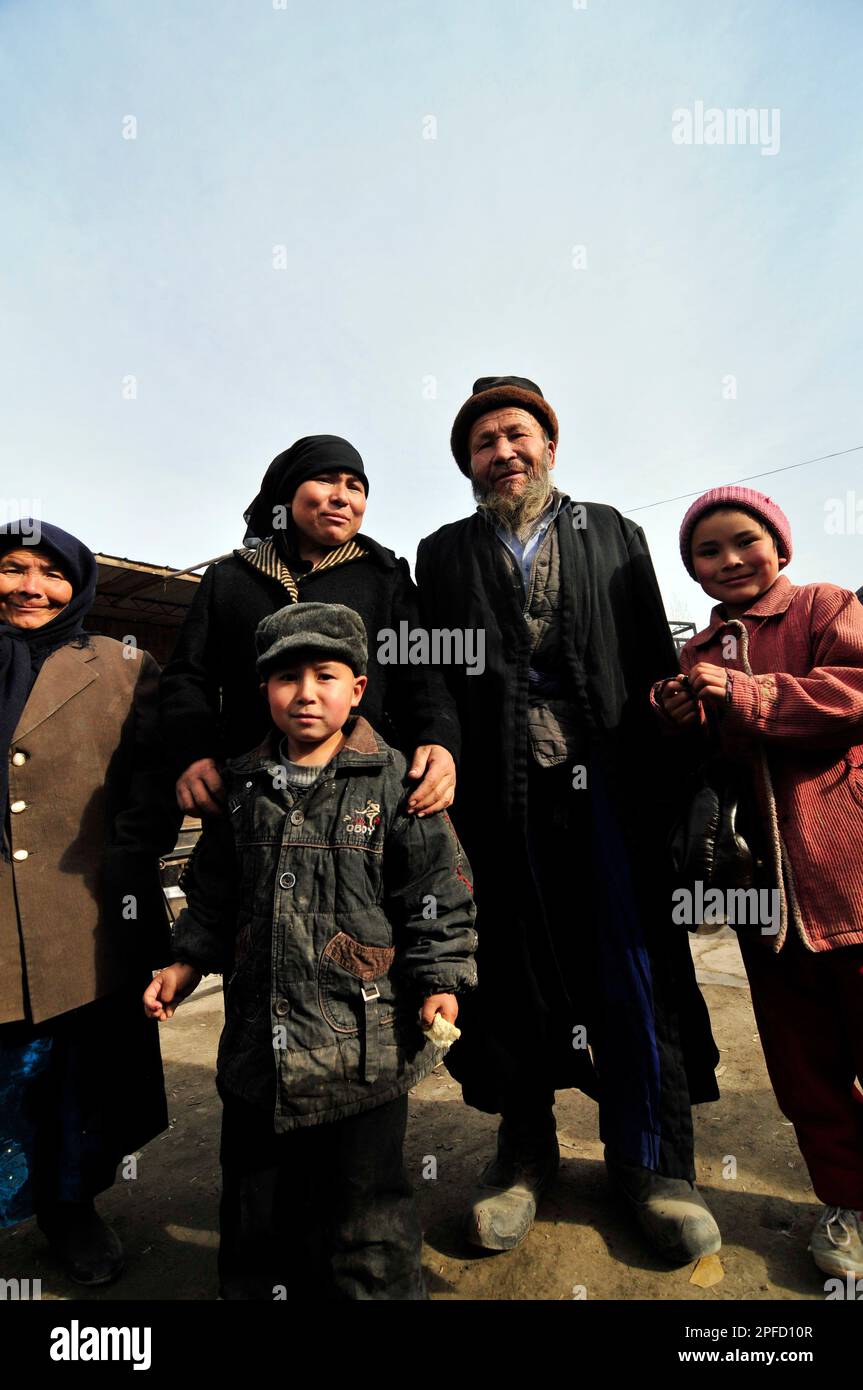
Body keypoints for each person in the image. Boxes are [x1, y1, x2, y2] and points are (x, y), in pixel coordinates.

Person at [414, 376, 721, 1262]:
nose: (502, 452)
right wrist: (437, 741)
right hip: (495, 792)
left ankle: (652, 1165)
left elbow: (648, 651)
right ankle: (522, 1153)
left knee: (632, 965)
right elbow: (432, 672)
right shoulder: (444, 553)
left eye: (517, 435)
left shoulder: (611, 531)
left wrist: (674, 747)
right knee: (508, 968)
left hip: (610, 784)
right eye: (482, 444)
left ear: (549, 445)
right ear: (468, 465)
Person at [144, 602, 477, 1299]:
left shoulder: (396, 784)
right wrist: (183, 962)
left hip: (366, 1047)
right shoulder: (241, 788)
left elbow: (437, 894)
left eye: (326, 675)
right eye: (286, 677)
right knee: (255, 1211)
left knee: (367, 1214)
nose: (305, 692)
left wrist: (440, 977)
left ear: (357, 689)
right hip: (256, 1045)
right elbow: (212, 893)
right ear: (262, 691)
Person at [654, 485, 863, 1280]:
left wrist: (749, 693)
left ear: (780, 547)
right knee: (803, 1067)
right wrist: (680, 713)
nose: (729, 559)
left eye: (744, 541)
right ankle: (847, 1204)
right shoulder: (697, 650)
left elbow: (852, 693)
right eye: (707, 552)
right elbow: (711, 762)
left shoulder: (824, 605)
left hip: (847, 876)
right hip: (760, 894)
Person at [0, 520, 179, 1284]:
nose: (29, 587)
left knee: (79, 1082)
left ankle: (72, 1214)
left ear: (79, 586)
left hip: (90, 918)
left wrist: (126, 857)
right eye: (11, 568)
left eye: (50, 573)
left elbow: (157, 778)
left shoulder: (125, 666)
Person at [159, 434, 459, 820]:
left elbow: (422, 675)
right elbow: (188, 677)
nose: (342, 497)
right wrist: (193, 753)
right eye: (325, 480)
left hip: (361, 797)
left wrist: (439, 739)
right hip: (250, 794)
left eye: (355, 487)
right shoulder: (230, 579)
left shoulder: (386, 577)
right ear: (287, 494)